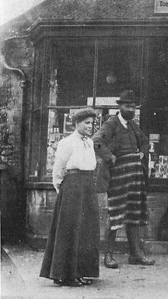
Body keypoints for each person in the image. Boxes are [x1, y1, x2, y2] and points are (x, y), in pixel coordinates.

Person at [92, 90, 155, 268]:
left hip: (135, 178)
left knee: (134, 213)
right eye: (128, 106)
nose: (131, 109)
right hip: (118, 177)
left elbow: (145, 141)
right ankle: (108, 255)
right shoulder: (111, 124)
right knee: (115, 213)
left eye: (134, 106)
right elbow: (96, 141)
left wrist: (143, 151)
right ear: (120, 107)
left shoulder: (133, 125)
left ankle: (135, 254)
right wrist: (109, 156)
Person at [40, 108, 100, 287]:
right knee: (70, 228)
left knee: (86, 229)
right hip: (73, 186)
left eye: (92, 123)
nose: (90, 126)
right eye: (87, 123)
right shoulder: (67, 142)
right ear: (76, 124)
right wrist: (61, 187)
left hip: (88, 186)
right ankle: (65, 274)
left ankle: (80, 271)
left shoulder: (89, 142)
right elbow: (58, 168)